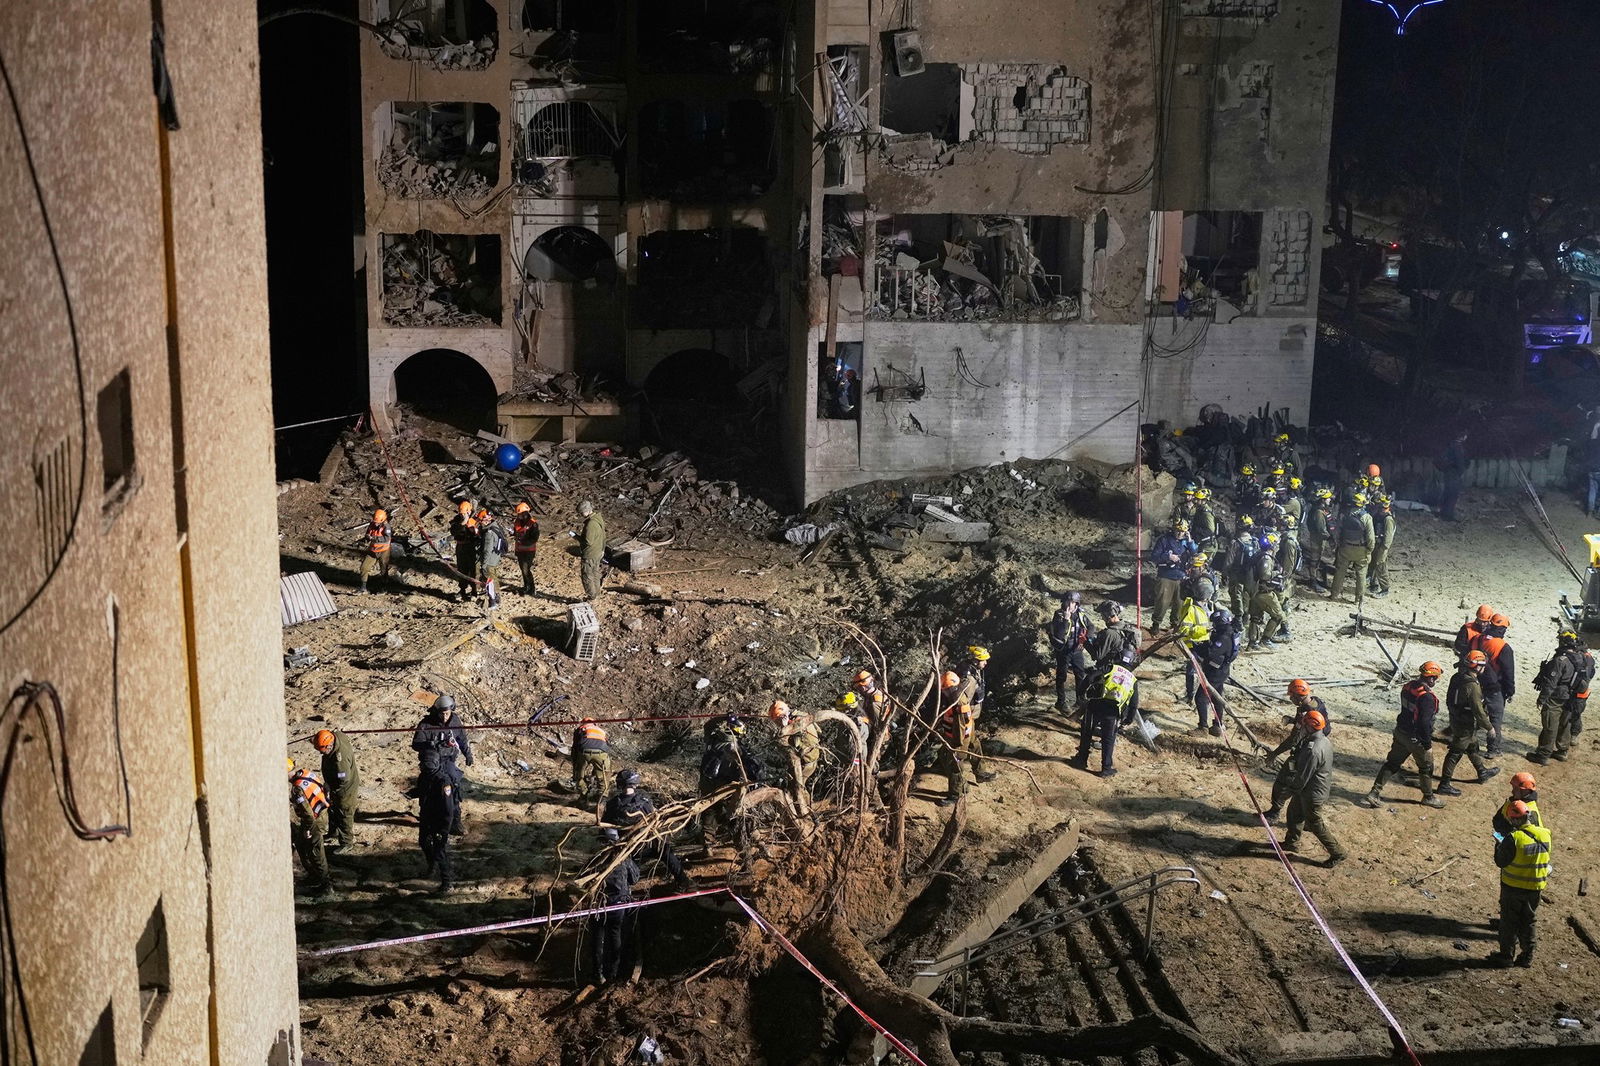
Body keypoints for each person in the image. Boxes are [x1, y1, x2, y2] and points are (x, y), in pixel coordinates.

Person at [1361, 662, 1446, 809]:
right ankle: (1428, 797)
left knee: (1392, 764)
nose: (1435, 681)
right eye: (1435, 678)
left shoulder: (1408, 686)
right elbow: (1424, 724)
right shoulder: (1427, 698)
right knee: (1426, 767)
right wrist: (1427, 745)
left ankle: (1374, 792)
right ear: (1431, 678)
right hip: (1416, 738)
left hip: (1401, 732)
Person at [601, 769, 692, 889]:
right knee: (666, 851)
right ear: (635, 784)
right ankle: (683, 881)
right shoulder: (644, 802)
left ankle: (625, 889)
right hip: (646, 844)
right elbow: (655, 819)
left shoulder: (612, 804)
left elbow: (606, 830)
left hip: (626, 848)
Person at [1487, 800, 1551, 968]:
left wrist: (1498, 846)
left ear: (1514, 820)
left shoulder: (1513, 838)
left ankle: (1506, 957)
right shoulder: (1545, 834)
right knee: (1529, 921)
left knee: (1509, 922)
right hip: (1535, 889)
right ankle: (1527, 955)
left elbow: (1500, 861)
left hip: (1513, 888)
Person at [1279, 710, 1346, 865]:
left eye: (1304, 725)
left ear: (1310, 727)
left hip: (1312, 793)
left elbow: (1303, 776)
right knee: (1294, 813)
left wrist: (1288, 792)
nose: (1301, 727)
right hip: (1311, 789)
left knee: (1315, 823)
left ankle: (1338, 852)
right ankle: (1291, 842)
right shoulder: (1323, 741)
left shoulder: (1313, 750)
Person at [1436, 651, 1502, 796]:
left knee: (1472, 746)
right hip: (1465, 722)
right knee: (1455, 752)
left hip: (1456, 718)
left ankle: (1482, 771)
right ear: (1477, 667)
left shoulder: (1457, 678)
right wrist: (1489, 728)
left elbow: (1449, 699)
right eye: (1482, 665)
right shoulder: (1473, 685)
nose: (1484, 668)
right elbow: (1478, 710)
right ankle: (1444, 784)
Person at [413, 695, 473, 834]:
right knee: (428, 790)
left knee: (454, 788)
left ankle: (455, 822)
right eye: (442, 714)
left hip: (448, 761)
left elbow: (462, 738)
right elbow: (415, 744)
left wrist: (467, 754)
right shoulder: (426, 724)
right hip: (431, 764)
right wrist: (429, 744)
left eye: (447, 713)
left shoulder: (455, 720)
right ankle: (426, 819)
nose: (445, 717)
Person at [1069, 662, 1139, 779]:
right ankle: (1106, 769)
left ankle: (1081, 760)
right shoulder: (1133, 680)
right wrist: (1128, 719)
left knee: (1087, 732)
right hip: (1113, 711)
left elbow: (1090, 677)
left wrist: (1081, 693)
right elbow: (1134, 704)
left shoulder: (1111, 668)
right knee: (1108, 740)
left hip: (1096, 704)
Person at [590, 827, 641, 984]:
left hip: (598, 905)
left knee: (597, 939)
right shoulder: (623, 858)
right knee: (615, 935)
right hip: (618, 905)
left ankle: (598, 974)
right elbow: (635, 878)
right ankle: (613, 973)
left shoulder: (595, 859)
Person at [1531, 630, 1586, 765]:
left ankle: (1543, 754)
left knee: (1550, 723)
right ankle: (1562, 750)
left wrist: (1542, 698)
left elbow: (1551, 683)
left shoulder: (1560, 660)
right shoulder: (1580, 657)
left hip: (1557, 696)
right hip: (1572, 696)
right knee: (1564, 722)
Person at [934, 671, 982, 806]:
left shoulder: (958, 703)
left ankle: (955, 796)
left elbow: (960, 726)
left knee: (955, 765)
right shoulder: (956, 696)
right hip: (954, 736)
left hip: (958, 739)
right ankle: (963, 786)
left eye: (944, 689)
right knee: (943, 756)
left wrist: (956, 745)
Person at [289, 757, 334, 898]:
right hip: (320, 813)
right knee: (301, 845)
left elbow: (308, 814)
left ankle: (326, 885)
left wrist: (308, 828)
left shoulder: (297, 789)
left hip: (313, 820)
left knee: (316, 852)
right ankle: (314, 876)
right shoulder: (305, 773)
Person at [1472, 614, 1516, 757]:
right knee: (1495, 718)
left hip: (1474, 681)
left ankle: (1469, 743)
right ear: (1502, 629)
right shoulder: (1504, 647)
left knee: (1474, 713)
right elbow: (1509, 672)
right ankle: (1493, 749)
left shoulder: (1477, 638)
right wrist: (1510, 690)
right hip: (1495, 687)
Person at [1192, 606, 1239, 736]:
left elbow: (1211, 653)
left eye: (1216, 623)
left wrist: (1196, 649)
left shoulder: (1224, 637)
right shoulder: (1228, 632)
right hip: (1221, 670)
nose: (1214, 626)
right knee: (1217, 697)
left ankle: (1203, 728)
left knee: (1201, 698)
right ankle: (1218, 725)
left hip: (1216, 672)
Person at [1046, 591, 1095, 711]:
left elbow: (1091, 626)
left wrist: (1085, 640)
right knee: (1062, 676)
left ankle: (1080, 700)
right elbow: (1059, 634)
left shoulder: (1081, 615)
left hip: (1077, 650)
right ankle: (1061, 702)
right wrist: (1066, 620)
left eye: (1072, 602)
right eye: (1068, 602)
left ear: (1077, 604)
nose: (1069, 605)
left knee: (1080, 675)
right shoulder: (1059, 615)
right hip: (1063, 650)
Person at [313, 728, 360, 849]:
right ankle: (333, 833)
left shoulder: (340, 761)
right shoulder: (336, 736)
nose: (321, 753)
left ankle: (347, 843)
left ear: (329, 746)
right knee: (332, 808)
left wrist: (332, 789)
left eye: (322, 750)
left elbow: (343, 780)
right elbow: (336, 731)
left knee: (344, 813)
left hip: (344, 789)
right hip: (334, 784)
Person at [416, 761, 459, 894]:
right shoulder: (424, 776)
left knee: (439, 852)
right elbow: (422, 790)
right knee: (423, 842)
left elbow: (448, 809)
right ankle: (431, 867)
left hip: (439, 822)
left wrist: (444, 829)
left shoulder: (443, 782)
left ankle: (447, 882)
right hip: (426, 816)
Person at [1328, 493, 1375, 607]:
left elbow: (1337, 532)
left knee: (1340, 571)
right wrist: (1369, 550)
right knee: (1361, 574)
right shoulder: (1366, 517)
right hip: (1361, 549)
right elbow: (1371, 538)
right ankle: (1358, 599)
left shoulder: (1344, 515)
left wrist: (1339, 544)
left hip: (1345, 548)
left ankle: (1334, 594)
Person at [1150, 521, 1198, 632]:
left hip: (1182, 576)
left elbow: (1195, 553)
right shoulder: (1164, 540)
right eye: (1178, 531)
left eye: (1182, 531)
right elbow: (1154, 557)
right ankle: (1156, 623)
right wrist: (1168, 556)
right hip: (1166, 575)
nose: (1179, 534)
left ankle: (1175, 624)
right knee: (1162, 601)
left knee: (1180, 603)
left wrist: (1190, 541)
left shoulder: (1187, 542)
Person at [768, 701, 822, 796]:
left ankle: (804, 807)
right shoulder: (801, 714)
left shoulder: (797, 722)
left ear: (783, 717)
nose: (777, 724)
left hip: (808, 761)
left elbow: (793, 746)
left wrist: (786, 729)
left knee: (797, 787)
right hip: (811, 756)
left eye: (777, 721)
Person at [1246, 533, 1289, 650]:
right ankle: (1266, 639)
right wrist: (1277, 572)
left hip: (1254, 591)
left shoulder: (1258, 555)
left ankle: (1252, 643)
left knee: (1255, 617)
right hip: (1264, 593)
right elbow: (1265, 575)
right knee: (1278, 615)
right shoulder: (1266, 558)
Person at [1562, 637, 1596, 757]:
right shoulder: (1588, 657)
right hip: (1580, 690)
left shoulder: (1584, 658)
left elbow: (1587, 675)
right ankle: (1570, 734)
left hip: (1580, 691)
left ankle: (1574, 735)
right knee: (1572, 712)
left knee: (1575, 714)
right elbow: (1592, 673)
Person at [1222, 518, 1260, 622]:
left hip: (1236, 572)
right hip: (1250, 573)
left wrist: (1225, 574)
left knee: (1235, 594)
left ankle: (1238, 617)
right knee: (1247, 594)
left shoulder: (1235, 542)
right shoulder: (1255, 542)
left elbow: (1229, 560)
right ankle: (1247, 615)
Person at [1301, 487, 1334, 590]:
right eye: (1328, 498)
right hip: (1317, 540)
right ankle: (1313, 582)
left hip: (1317, 538)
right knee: (1314, 561)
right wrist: (1330, 538)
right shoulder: (1319, 513)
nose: (1330, 500)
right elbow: (1321, 530)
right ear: (1323, 500)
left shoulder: (1319, 510)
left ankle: (1315, 580)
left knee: (1317, 560)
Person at [571, 717, 611, 802]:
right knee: (604, 776)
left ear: (583, 723)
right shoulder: (601, 730)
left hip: (584, 751)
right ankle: (602, 799)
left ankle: (583, 796)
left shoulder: (581, 729)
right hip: (601, 753)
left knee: (579, 776)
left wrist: (575, 765)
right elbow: (606, 745)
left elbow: (575, 747)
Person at [1089, 601, 1139, 669]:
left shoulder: (1109, 633)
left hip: (1109, 670)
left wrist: (1086, 642)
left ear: (1108, 615)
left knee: (1088, 679)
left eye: (1102, 615)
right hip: (1126, 670)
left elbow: (1097, 656)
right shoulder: (1129, 629)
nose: (1102, 618)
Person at [1366, 495, 1397, 597]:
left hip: (1382, 546)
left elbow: (1388, 536)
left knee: (1380, 565)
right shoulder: (1379, 515)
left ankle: (1385, 588)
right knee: (1373, 564)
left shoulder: (1388, 519)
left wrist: (1384, 548)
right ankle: (1373, 584)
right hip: (1376, 543)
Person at [449, 500, 480, 601]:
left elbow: (480, 534)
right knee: (462, 569)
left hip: (472, 548)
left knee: (474, 570)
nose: (463, 515)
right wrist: (462, 523)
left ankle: (475, 591)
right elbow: (453, 531)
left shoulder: (475, 521)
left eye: (465, 513)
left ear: (469, 511)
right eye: (461, 513)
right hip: (461, 547)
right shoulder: (457, 520)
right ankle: (462, 590)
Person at [476, 508, 507, 608]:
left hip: (490, 560)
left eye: (480, 521)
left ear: (485, 520)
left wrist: (483, 564)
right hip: (495, 557)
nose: (480, 524)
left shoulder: (489, 533)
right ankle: (497, 597)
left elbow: (487, 550)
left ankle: (492, 601)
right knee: (493, 577)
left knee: (489, 580)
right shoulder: (496, 526)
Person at [358, 508, 394, 593]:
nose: (375, 523)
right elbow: (367, 534)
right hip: (373, 550)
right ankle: (363, 588)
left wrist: (374, 538)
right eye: (375, 521)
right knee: (364, 567)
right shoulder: (372, 524)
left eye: (377, 522)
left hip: (384, 551)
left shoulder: (386, 526)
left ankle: (383, 589)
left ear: (382, 520)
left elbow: (387, 538)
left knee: (383, 569)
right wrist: (367, 538)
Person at [1437, 430, 1469, 522]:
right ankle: (1448, 515)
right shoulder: (1458, 447)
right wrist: (1461, 471)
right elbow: (1460, 462)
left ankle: (1443, 512)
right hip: (1454, 473)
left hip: (1448, 472)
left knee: (1448, 492)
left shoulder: (1449, 445)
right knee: (1453, 494)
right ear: (1463, 436)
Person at [578, 500, 606, 601]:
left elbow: (588, 542)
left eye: (581, 513)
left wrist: (577, 537)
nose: (581, 515)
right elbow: (603, 536)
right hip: (598, 551)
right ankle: (597, 594)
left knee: (587, 576)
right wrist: (603, 549)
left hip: (590, 554)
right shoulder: (598, 518)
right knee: (595, 574)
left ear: (586, 511)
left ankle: (592, 597)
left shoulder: (590, 524)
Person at [511, 501, 541, 595]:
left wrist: (523, 542)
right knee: (522, 569)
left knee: (526, 569)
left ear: (524, 514)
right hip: (520, 550)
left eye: (519, 514)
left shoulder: (533, 524)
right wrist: (513, 534)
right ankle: (526, 586)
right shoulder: (517, 522)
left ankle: (531, 588)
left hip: (529, 551)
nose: (518, 516)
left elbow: (534, 538)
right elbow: (517, 532)